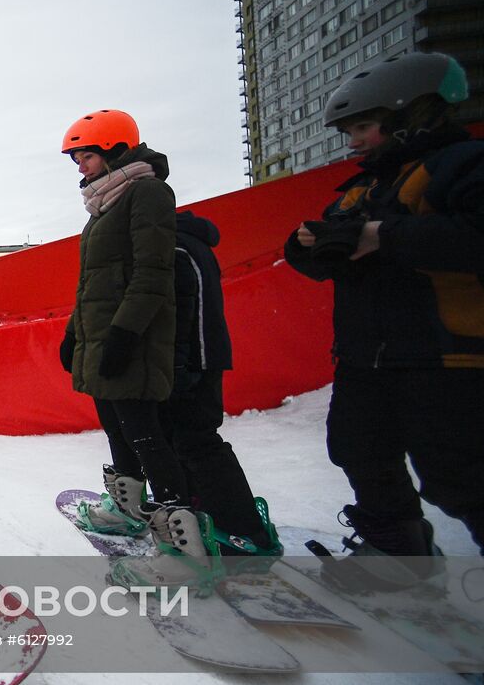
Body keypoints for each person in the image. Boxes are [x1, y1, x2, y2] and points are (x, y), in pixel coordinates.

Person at [284, 50, 483, 570]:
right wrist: (308, 247)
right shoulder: (361, 189)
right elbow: (331, 255)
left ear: (413, 114)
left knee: (457, 475)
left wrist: (383, 236)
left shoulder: (462, 166)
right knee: (358, 448)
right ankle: (398, 550)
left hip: (443, 356)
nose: (353, 142)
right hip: (365, 356)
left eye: (364, 127)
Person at [58, 109, 221, 589]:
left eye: (86, 155)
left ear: (114, 150)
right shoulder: (104, 207)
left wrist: (125, 334)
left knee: (145, 433)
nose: (80, 167)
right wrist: (75, 332)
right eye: (78, 158)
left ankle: (184, 550)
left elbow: (152, 274)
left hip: (133, 339)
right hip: (101, 335)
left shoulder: (147, 193)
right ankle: (129, 510)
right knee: (116, 424)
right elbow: (94, 284)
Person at [160, 209, 280, 558]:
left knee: (197, 440)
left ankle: (245, 532)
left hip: (196, 359)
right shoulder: (175, 243)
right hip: (186, 358)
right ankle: (207, 512)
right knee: (181, 440)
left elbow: (193, 311)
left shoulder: (180, 246)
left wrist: (184, 365)